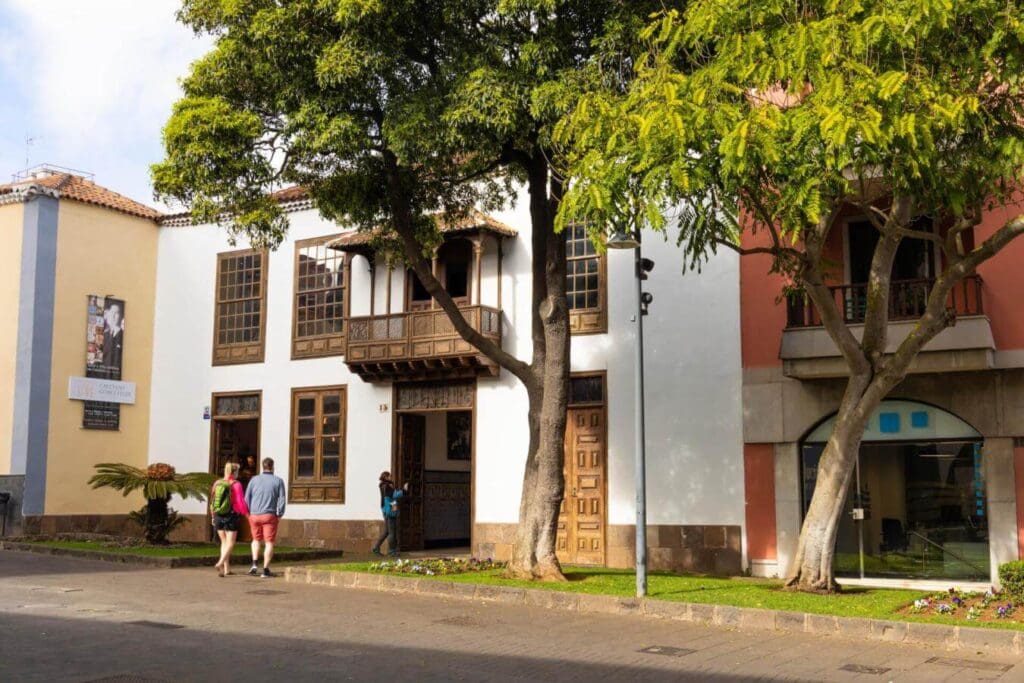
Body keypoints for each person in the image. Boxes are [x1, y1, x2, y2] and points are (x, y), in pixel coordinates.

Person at [244, 457, 287, 578]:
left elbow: (247, 498)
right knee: (269, 542)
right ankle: (265, 569)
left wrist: (248, 514)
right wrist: (280, 514)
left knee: (255, 540)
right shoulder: (278, 481)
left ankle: (254, 565)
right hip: (269, 515)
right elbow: (282, 499)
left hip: (254, 515)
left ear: (263, 466)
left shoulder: (253, 480)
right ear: (272, 467)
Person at [210, 462, 249, 577]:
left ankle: (226, 569)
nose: (238, 474)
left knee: (224, 542)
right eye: (237, 472)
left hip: (218, 515)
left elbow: (212, 500)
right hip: (231, 515)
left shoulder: (217, 483)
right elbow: (240, 501)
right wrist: (246, 513)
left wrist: (213, 515)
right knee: (231, 542)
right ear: (234, 472)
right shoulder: (236, 484)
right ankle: (220, 563)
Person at [371, 471, 409, 557]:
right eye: (390, 476)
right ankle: (392, 551)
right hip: (390, 510)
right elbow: (395, 495)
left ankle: (376, 548)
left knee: (387, 531)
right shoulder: (387, 486)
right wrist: (404, 490)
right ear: (386, 477)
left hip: (385, 509)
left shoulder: (382, 485)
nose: (391, 477)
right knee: (392, 531)